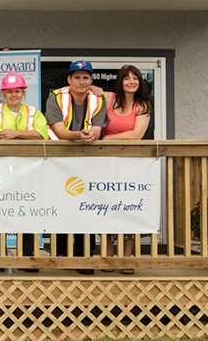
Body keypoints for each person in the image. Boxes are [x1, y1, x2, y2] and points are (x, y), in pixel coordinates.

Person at [45, 60, 109, 275]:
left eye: (86, 77)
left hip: (87, 158)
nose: (81, 81)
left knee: (86, 204)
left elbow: (98, 130)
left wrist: (92, 135)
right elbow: (60, 131)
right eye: (77, 77)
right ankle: (61, 252)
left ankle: (84, 256)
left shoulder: (98, 99)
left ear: (91, 80)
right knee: (61, 204)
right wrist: (80, 135)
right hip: (59, 158)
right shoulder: (55, 96)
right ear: (69, 79)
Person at [0, 71, 48, 273]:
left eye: (17, 91)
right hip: (1, 170)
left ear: (23, 93)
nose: (14, 95)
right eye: (10, 91)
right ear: (3, 94)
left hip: (28, 171)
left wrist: (14, 134)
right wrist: (26, 136)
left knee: (26, 212)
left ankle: (27, 258)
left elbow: (42, 135)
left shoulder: (33, 111)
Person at [101, 65, 153, 275]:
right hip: (106, 164)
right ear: (120, 82)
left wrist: (107, 138)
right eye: (127, 78)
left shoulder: (143, 105)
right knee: (106, 208)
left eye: (136, 79)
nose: (131, 82)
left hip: (132, 165)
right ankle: (107, 258)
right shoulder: (108, 99)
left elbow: (136, 134)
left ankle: (126, 259)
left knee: (129, 208)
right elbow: (85, 88)